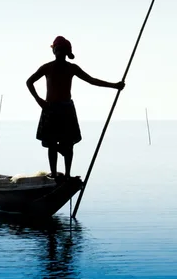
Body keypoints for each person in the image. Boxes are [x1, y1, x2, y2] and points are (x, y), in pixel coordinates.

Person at [26, 36, 125, 180]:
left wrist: (114, 85)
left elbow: (92, 80)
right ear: (53, 50)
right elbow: (29, 82)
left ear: (67, 52)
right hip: (50, 108)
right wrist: (39, 100)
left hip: (66, 109)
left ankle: (67, 174)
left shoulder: (72, 68)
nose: (59, 52)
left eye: (61, 50)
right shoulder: (47, 67)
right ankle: (53, 174)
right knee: (52, 144)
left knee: (68, 144)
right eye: (57, 49)